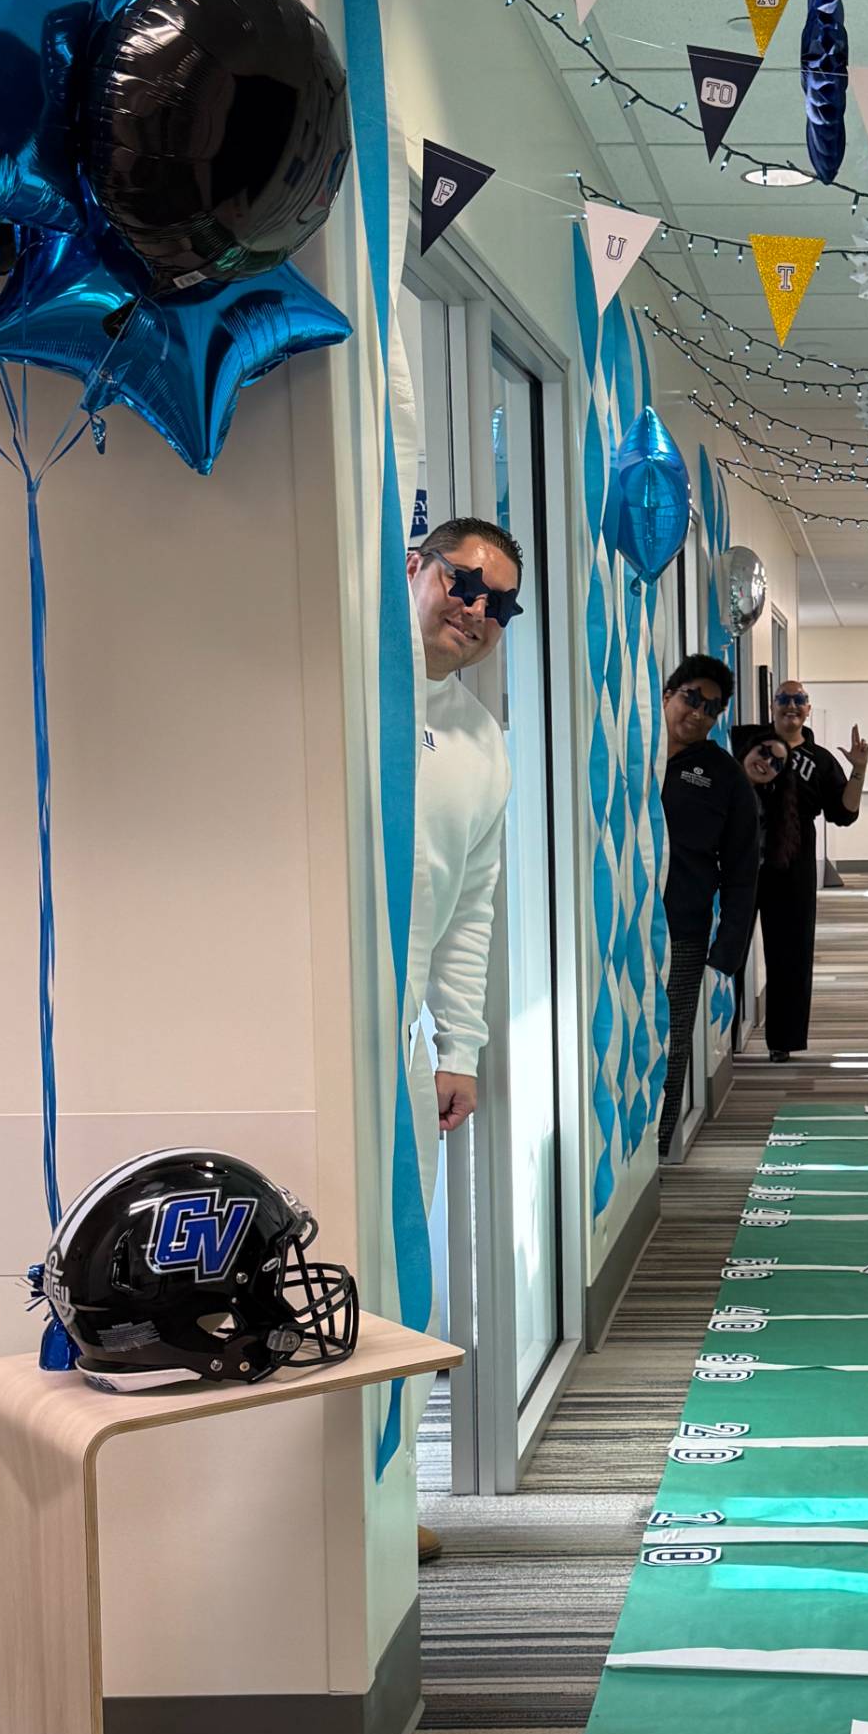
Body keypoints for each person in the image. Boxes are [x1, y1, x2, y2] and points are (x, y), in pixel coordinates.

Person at [404, 514, 519, 1563]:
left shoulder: (483, 744)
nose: (476, 610)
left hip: (403, 1042)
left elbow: (472, 904)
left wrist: (459, 1045)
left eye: (499, 603)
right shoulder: (344, 686)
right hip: (309, 1017)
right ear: (417, 569)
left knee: (397, 1270)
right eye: (462, 581)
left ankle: (387, 1502)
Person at [658, 654, 783, 1158]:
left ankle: (656, 1150)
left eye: (712, 707)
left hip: (681, 930)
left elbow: (740, 875)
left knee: (670, 1041)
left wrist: (726, 952)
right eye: (692, 697)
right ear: (668, 693)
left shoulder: (725, 778)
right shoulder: (625, 749)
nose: (699, 713)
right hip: (608, 927)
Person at [731, 682, 868, 1060]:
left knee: (790, 954)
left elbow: (844, 814)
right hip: (741, 863)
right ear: (772, 707)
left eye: (799, 700)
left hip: (793, 865)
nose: (791, 706)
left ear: (808, 710)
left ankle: (783, 1043)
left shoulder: (821, 760)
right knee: (730, 951)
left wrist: (858, 771)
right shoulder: (746, 745)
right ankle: (720, 1041)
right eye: (784, 699)